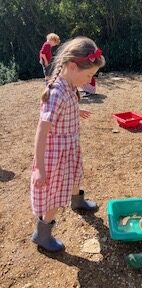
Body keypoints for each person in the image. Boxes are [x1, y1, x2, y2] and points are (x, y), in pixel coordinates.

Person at [31, 37, 105, 252]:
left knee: (76, 174)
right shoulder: (56, 93)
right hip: (56, 155)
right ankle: (42, 234)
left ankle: (77, 200)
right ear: (72, 66)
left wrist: (76, 110)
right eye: (89, 74)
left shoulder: (70, 85)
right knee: (53, 196)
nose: (90, 80)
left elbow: (66, 106)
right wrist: (40, 169)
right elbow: (41, 132)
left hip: (70, 145)